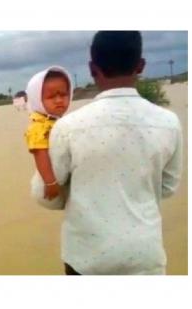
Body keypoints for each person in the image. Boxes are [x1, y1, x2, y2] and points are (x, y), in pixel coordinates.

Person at [33, 31, 183, 275]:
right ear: (141, 66)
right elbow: (167, 187)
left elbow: (45, 195)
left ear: (92, 69)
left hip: (86, 258)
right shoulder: (169, 122)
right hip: (145, 256)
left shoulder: (68, 127)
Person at [25, 66, 73, 200]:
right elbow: (40, 154)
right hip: (49, 182)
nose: (59, 100)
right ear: (37, 99)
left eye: (63, 94)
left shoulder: (59, 121)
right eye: (51, 97)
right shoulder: (39, 127)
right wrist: (50, 182)